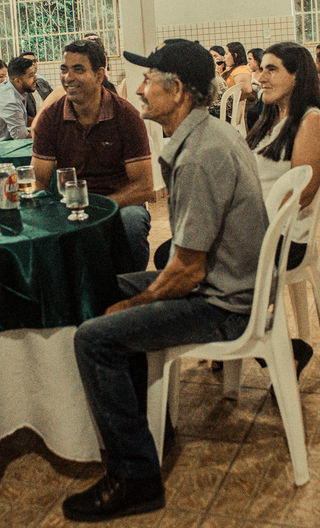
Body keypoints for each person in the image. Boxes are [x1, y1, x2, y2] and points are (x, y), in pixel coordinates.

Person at [63, 39, 267, 523]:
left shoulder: (200, 155)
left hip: (225, 304)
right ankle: (146, 427)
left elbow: (189, 270)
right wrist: (132, 300)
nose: (138, 89)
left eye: (149, 81)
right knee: (107, 288)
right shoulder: (206, 135)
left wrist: (134, 309)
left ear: (177, 92)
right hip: (227, 282)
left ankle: (135, 476)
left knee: (95, 338)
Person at [247, 41, 320, 381]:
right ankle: (239, 338)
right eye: (261, 69)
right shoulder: (276, 117)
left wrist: (242, 228)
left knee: (193, 261)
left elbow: (300, 196)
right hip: (265, 232)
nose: (261, 77)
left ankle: (272, 349)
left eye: (271, 69)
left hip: (285, 241)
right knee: (181, 253)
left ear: (298, 75)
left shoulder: (312, 121)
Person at [32, 38, 154, 271]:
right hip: (68, 205)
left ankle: (126, 293)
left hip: (119, 205)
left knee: (132, 223)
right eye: (64, 70)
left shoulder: (126, 116)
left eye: (79, 70)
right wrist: (48, 211)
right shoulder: (51, 117)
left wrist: (98, 207)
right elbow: (38, 179)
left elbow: (144, 185)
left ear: (99, 76)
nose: (68, 78)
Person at [0, 55, 37, 141]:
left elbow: (21, 118)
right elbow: (22, 137)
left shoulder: (13, 88)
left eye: (34, 74)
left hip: (5, 141)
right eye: (31, 76)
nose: (36, 78)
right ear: (17, 81)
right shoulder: (10, 100)